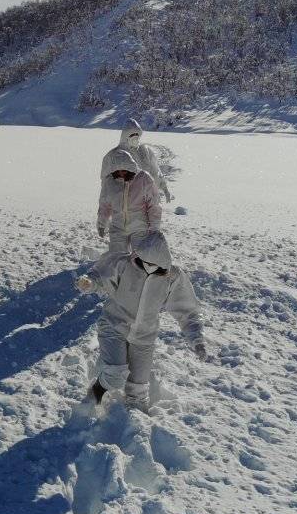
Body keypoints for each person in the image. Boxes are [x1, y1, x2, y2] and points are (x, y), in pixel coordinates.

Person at [75, 231, 206, 412]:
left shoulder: (172, 277)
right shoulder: (124, 263)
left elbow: (188, 309)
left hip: (145, 335)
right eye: (140, 260)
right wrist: (89, 282)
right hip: (114, 325)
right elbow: (100, 274)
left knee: (138, 389)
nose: (143, 265)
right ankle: (93, 397)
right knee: (114, 377)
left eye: (150, 264)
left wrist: (196, 338)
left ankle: (135, 424)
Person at [98, 150, 161, 255]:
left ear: (130, 166)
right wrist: (101, 223)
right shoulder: (110, 181)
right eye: (118, 170)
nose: (121, 173)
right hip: (117, 228)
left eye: (124, 170)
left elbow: (154, 205)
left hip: (139, 228)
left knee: (140, 258)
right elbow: (104, 205)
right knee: (116, 258)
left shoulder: (143, 179)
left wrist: (154, 227)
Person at [100, 119, 173, 203]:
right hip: (125, 204)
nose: (135, 137)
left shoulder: (145, 151)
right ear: (125, 136)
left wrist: (164, 188)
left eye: (137, 134)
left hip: (149, 200)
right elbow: (106, 182)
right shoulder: (113, 156)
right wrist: (106, 205)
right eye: (132, 134)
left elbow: (155, 171)